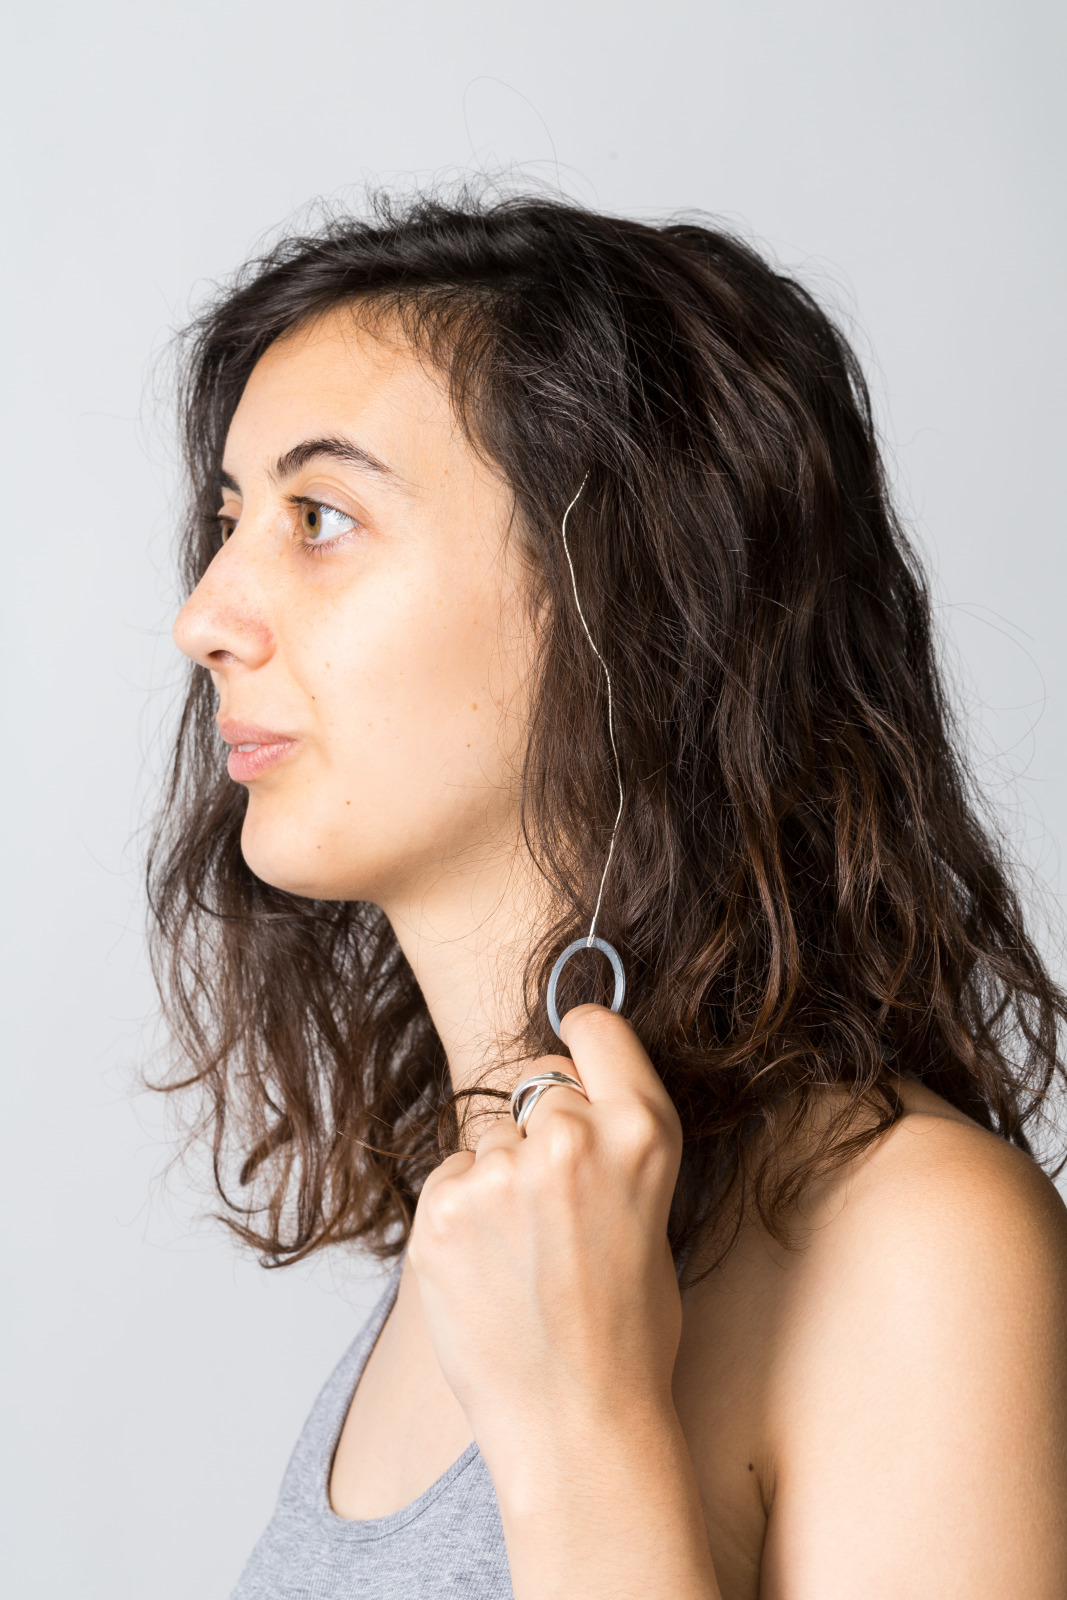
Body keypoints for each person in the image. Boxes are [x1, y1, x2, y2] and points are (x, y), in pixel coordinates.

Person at [150, 193, 1067, 1599]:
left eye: (319, 517)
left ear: (617, 595)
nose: (207, 612)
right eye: (231, 518)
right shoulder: (481, 1233)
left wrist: (580, 1430)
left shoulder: (919, 1247)